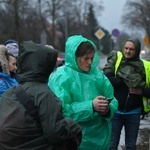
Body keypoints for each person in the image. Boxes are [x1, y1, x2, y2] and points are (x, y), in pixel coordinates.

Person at [0, 40, 82, 150]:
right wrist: (72, 125)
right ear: (45, 67)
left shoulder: (10, 91)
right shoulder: (44, 94)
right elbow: (55, 132)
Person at [48, 35, 118, 150]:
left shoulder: (97, 75)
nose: (90, 62)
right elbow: (62, 111)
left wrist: (107, 109)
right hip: (74, 141)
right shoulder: (61, 77)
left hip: (101, 141)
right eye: (86, 58)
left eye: (91, 58)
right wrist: (91, 106)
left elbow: (113, 99)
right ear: (74, 56)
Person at [103, 38, 150, 150]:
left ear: (137, 51)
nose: (128, 51)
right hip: (115, 111)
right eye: (126, 48)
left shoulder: (144, 67)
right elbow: (107, 78)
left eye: (132, 49)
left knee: (131, 145)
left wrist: (141, 91)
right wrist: (122, 81)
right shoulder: (117, 61)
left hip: (134, 112)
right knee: (112, 144)